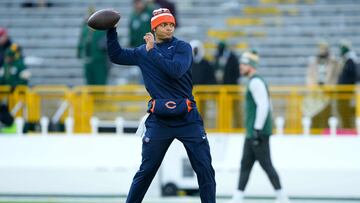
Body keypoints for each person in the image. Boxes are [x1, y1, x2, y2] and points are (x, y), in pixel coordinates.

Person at [106, 8, 216, 203]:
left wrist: (152, 51)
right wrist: (111, 30)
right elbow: (117, 56)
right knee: (146, 171)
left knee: (205, 169)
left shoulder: (183, 47)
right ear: (155, 27)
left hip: (187, 117)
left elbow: (175, 70)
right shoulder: (143, 51)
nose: (169, 28)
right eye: (164, 24)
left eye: (171, 24)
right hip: (160, 119)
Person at [229, 51, 289, 203]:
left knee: (266, 164)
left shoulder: (256, 82)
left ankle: (282, 197)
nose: (241, 67)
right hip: (253, 131)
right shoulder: (254, 81)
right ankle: (237, 197)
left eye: (244, 64)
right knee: (245, 164)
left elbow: (263, 106)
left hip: (257, 132)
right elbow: (268, 105)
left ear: (251, 65)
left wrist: (257, 129)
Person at [304, 40, 340, 129]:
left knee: (326, 114)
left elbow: (335, 76)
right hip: (316, 92)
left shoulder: (333, 61)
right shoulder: (314, 61)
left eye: (323, 48)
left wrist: (330, 86)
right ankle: (315, 132)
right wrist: (313, 86)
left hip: (327, 92)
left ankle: (326, 132)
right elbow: (309, 76)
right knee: (315, 113)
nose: (321, 50)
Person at [77, 7, 109, 85]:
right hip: (88, 61)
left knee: (100, 84)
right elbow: (81, 43)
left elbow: (108, 43)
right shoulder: (85, 29)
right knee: (89, 85)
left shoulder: (102, 28)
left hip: (99, 61)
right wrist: (79, 52)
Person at [337, 39, 359, 129]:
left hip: (348, 91)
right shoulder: (345, 59)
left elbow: (354, 76)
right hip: (343, 91)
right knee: (343, 111)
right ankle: (346, 128)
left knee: (348, 112)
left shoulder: (351, 60)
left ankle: (350, 128)